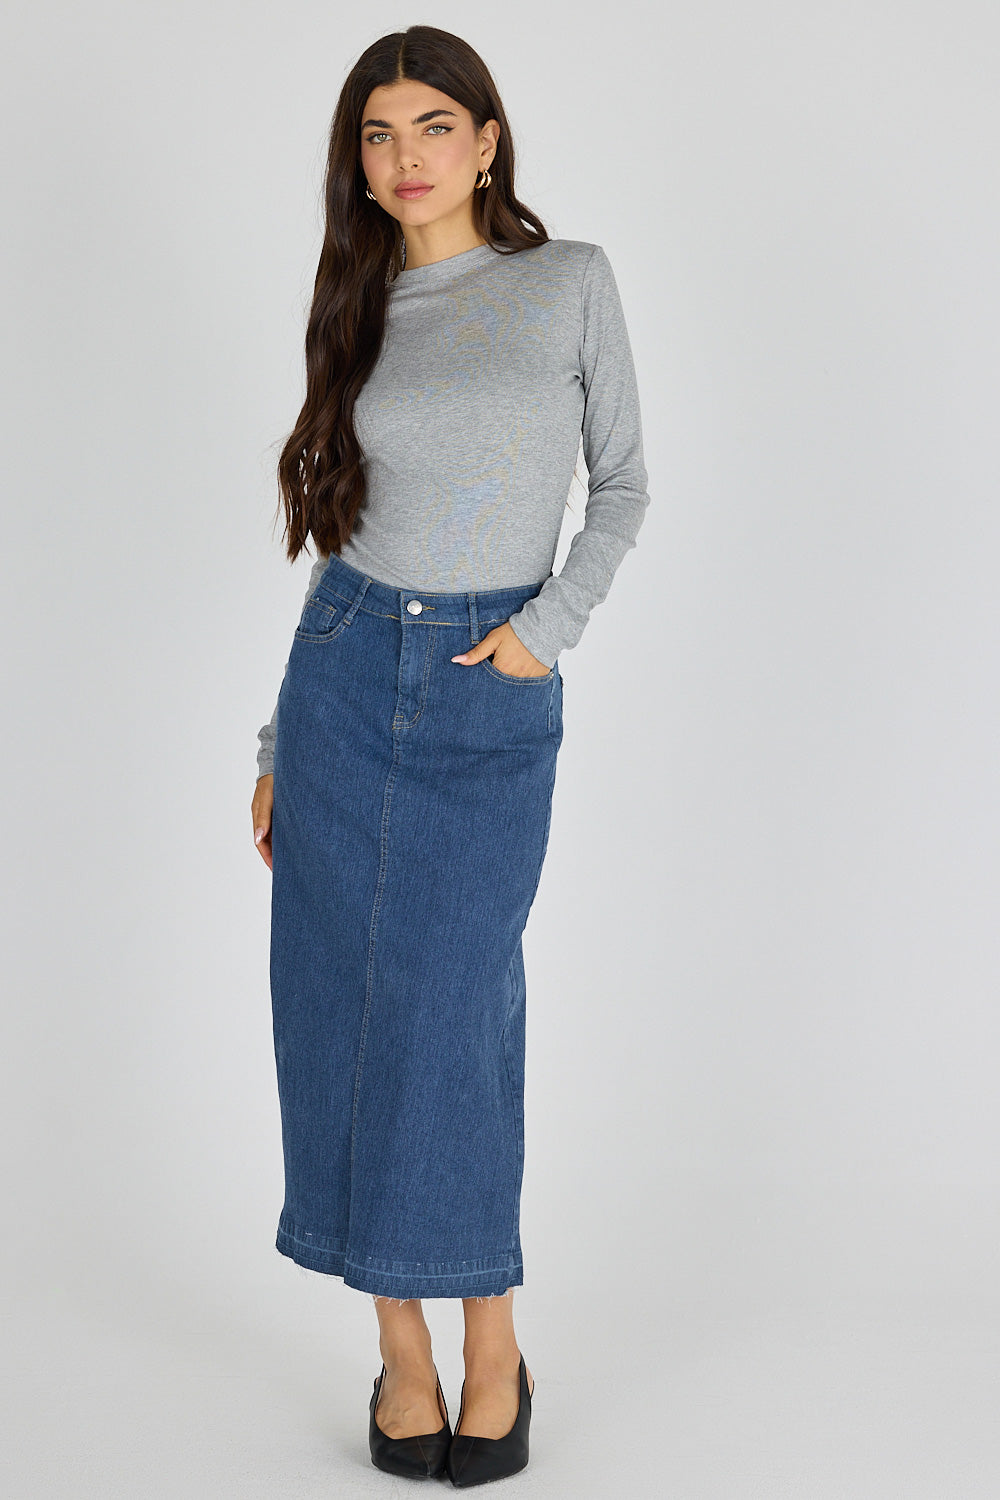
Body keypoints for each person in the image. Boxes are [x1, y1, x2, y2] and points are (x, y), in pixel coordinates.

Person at [250, 24, 650, 1488]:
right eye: (378, 133)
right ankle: (401, 1356)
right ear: (357, 162)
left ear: (486, 141)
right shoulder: (357, 307)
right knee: (336, 1016)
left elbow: (624, 486)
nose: (404, 157)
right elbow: (341, 544)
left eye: (432, 126)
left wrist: (544, 633)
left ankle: (495, 1345)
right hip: (346, 677)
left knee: (453, 1018)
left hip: (488, 683)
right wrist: (279, 738)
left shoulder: (568, 283)